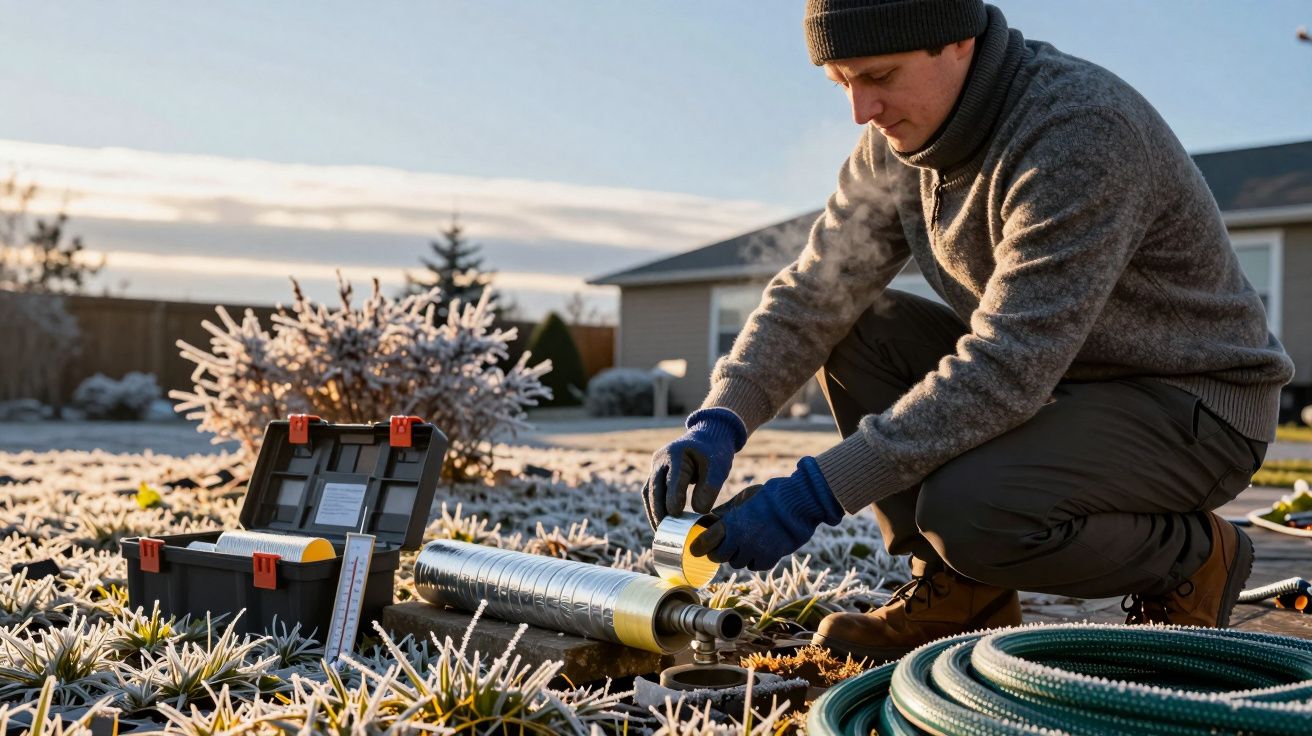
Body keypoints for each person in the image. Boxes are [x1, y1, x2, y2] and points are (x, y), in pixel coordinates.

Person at [642, 0, 1295, 664]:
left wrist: (814, 494)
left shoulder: (1078, 130)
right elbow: (814, 292)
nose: (862, 110)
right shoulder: (896, 145)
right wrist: (721, 418)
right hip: (1063, 384)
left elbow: (1008, 366)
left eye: (880, 76)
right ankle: (959, 594)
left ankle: (1193, 558)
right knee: (859, 325)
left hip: (1192, 404)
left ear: (956, 40)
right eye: (843, 82)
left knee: (971, 515)